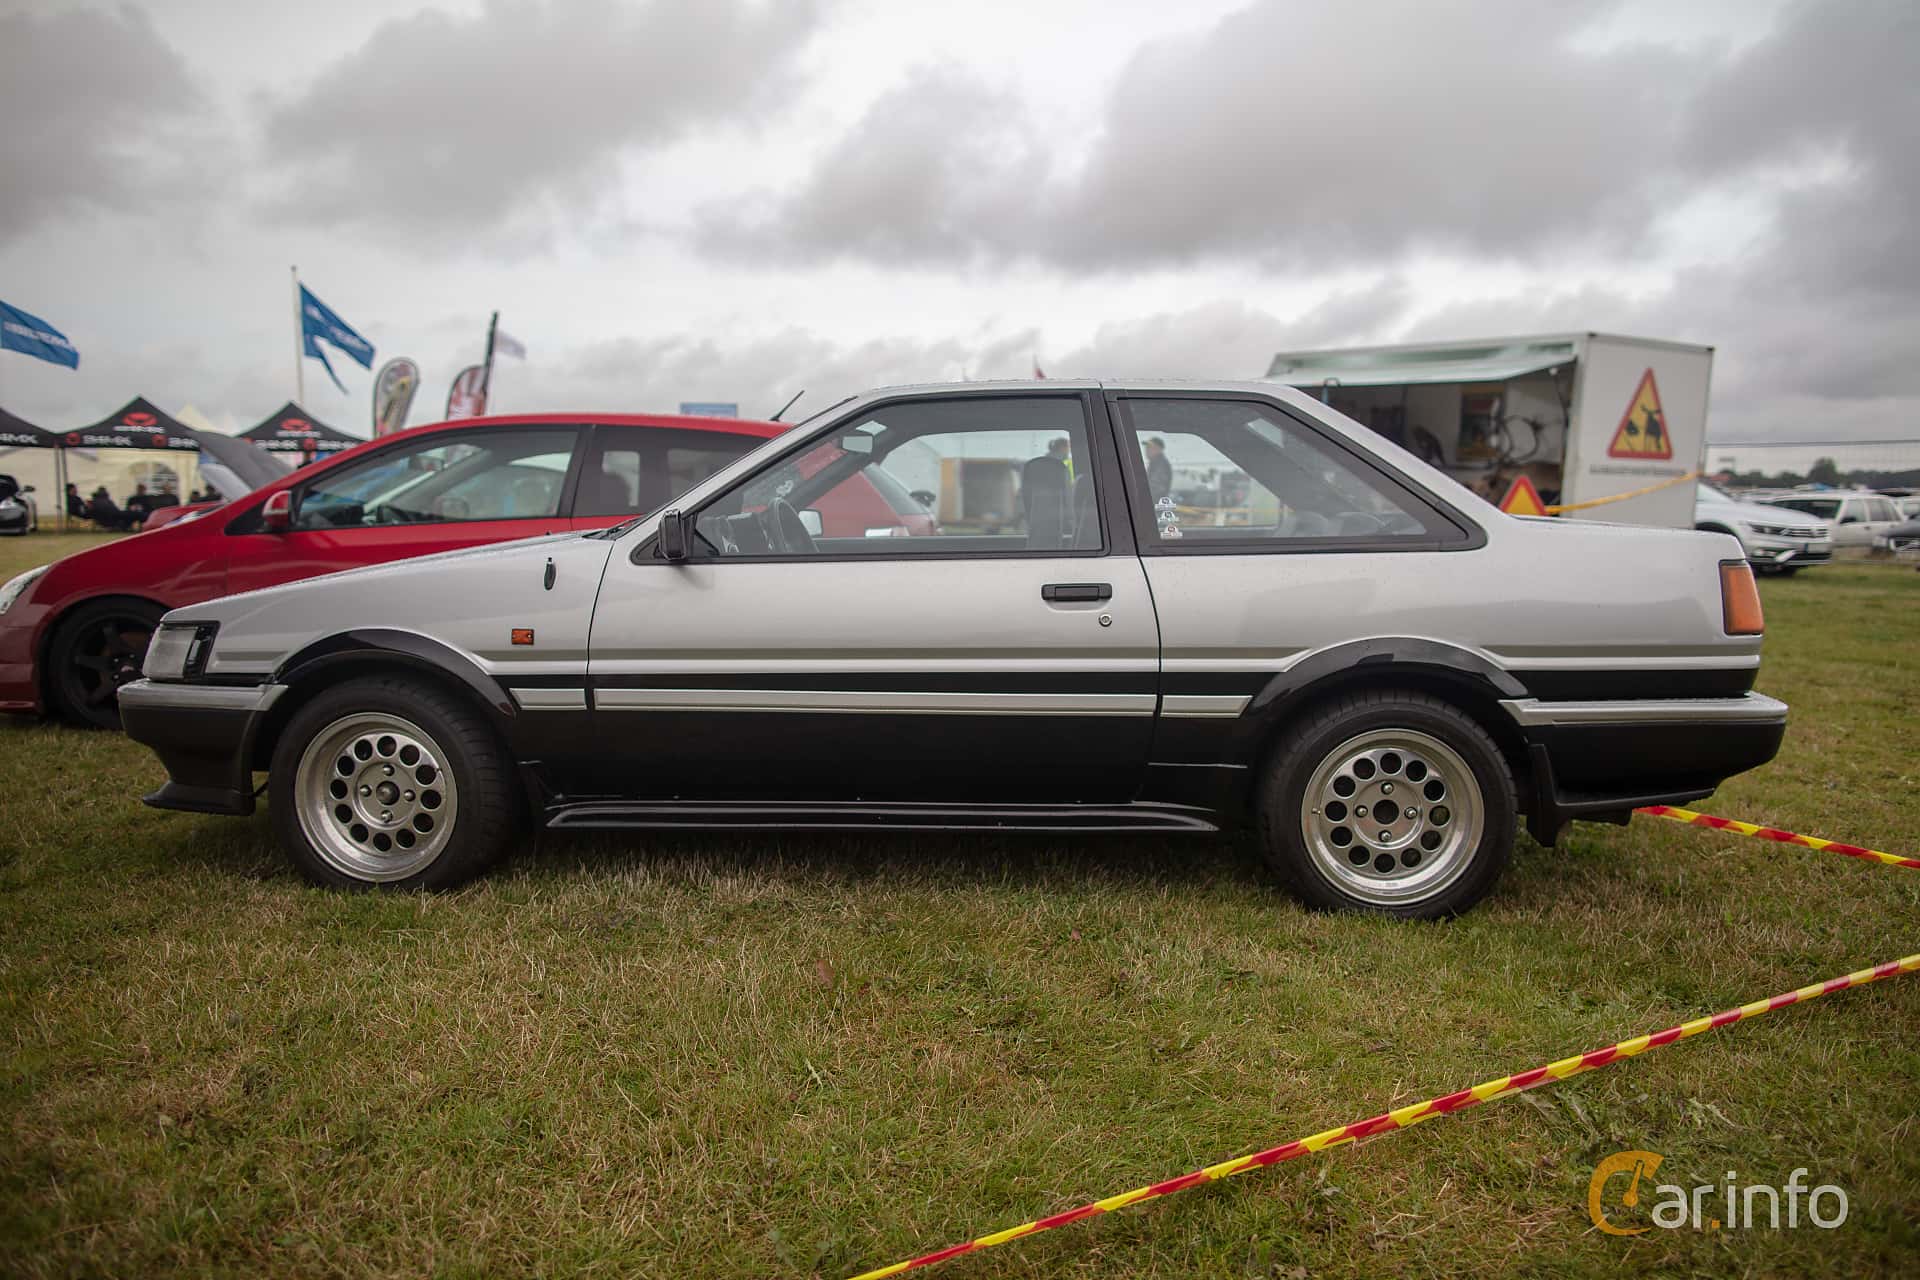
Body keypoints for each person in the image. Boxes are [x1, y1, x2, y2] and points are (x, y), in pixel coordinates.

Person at [1021, 437, 1072, 545]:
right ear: (1062, 447)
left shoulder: (1037, 467)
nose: (1069, 451)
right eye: (1068, 448)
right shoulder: (1057, 468)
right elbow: (1068, 500)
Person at [1144, 436, 1172, 503]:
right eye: (1147, 447)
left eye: (1150, 447)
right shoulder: (1155, 463)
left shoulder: (1161, 464)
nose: (1147, 450)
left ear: (1159, 449)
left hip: (1155, 506)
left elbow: (1156, 489)